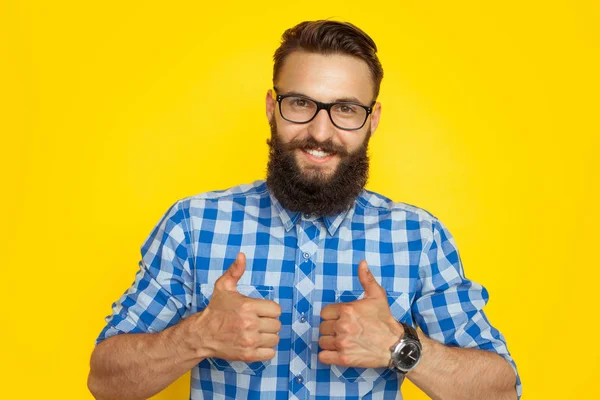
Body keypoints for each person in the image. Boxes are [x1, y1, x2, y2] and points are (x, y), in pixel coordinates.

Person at [88, 20, 521, 400]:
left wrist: (400, 347)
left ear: (372, 120)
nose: (319, 131)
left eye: (346, 109)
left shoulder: (419, 236)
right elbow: (105, 381)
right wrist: (197, 336)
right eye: (300, 103)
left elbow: (502, 390)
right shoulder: (193, 224)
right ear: (271, 108)